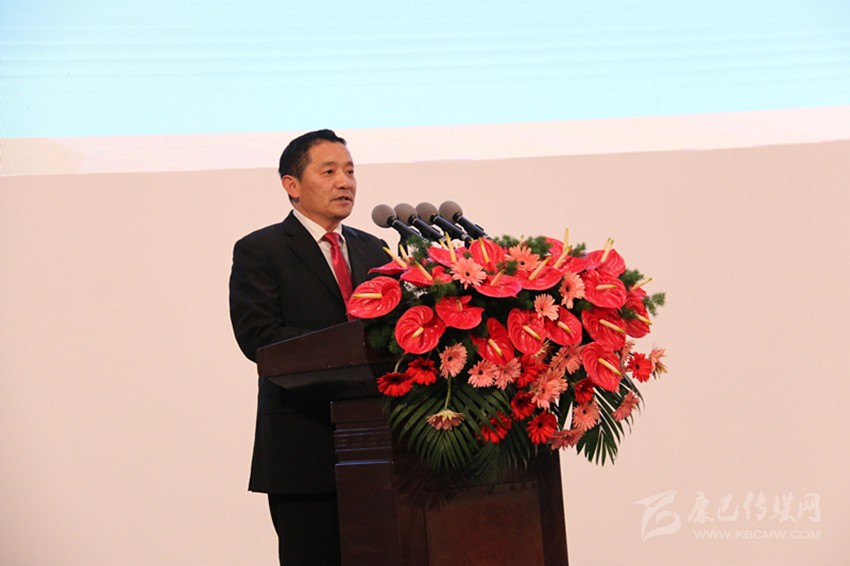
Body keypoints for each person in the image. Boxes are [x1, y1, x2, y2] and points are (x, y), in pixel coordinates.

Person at [229, 129, 389, 565]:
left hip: (378, 446)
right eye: (329, 171)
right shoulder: (261, 250)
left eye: (350, 171)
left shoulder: (374, 249)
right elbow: (258, 337)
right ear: (292, 185)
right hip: (302, 447)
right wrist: (345, 345)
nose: (345, 182)